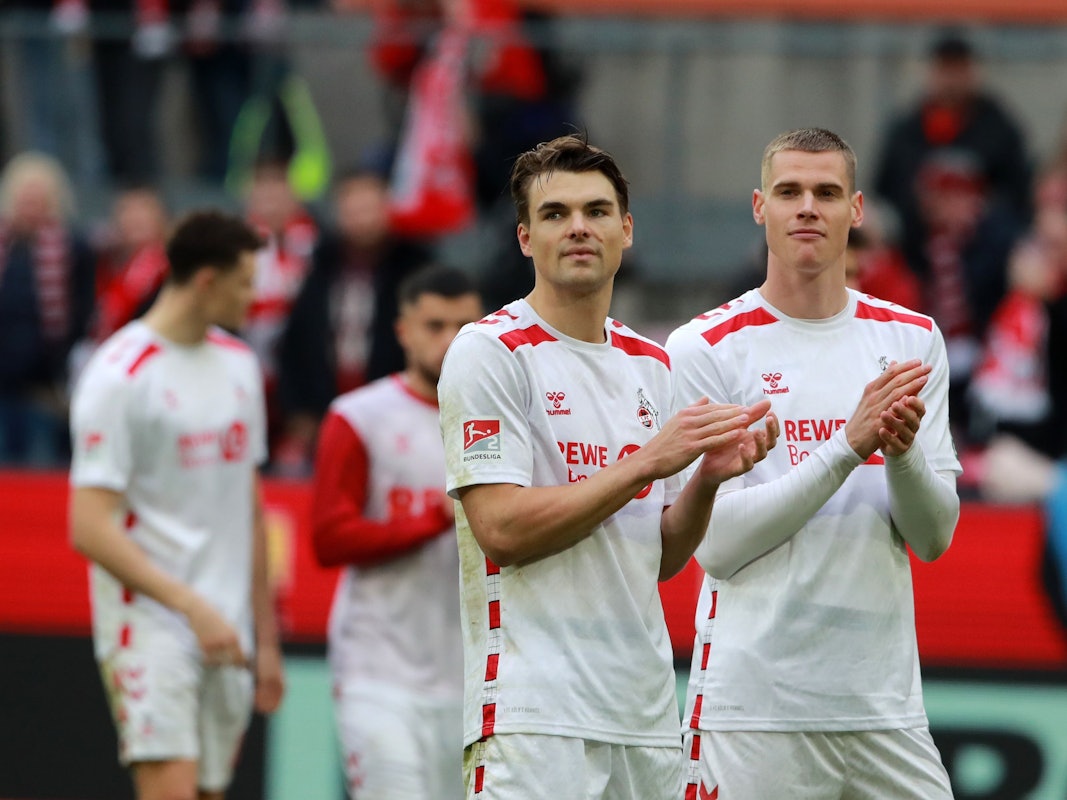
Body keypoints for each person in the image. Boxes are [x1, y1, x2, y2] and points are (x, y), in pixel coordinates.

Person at [438, 133, 777, 798]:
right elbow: (500, 529)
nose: (577, 228)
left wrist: (705, 479)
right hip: (533, 716)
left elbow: (660, 555)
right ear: (524, 239)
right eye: (554, 214)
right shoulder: (489, 352)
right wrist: (643, 465)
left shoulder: (651, 364)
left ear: (625, 231)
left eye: (595, 211)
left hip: (643, 715)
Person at [666, 128, 961, 799]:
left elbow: (933, 537)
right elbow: (713, 547)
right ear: (757, 206)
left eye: (826, 192)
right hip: (753, 712)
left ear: (854, 211)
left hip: (883, 708)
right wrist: (844, 448)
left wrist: (903, 454)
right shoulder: (704, 347)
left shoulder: (911, 340)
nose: (807, 207)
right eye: (788, 191)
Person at [68, 209, 285, 800]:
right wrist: (190, 606)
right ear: (207, 282)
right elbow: (87, 526)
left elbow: (248, 503)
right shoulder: (118, 376)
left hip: (227, 622)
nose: (256, 297)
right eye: (245, 283)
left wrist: (266, 640)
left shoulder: (240, 366)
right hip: (152, 620)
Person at [310, 264, 483, 799]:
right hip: (378, 666)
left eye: (464, 325)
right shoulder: (360, 416)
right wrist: (431, 519)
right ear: (403, 331)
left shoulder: (502, 420)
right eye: (435, 325)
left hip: (473, 674)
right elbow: (329, 537)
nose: (450, 340)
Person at [275, 168, 435, 473]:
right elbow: (296, 343)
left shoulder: (416, 267)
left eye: (369, 207)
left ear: (387, 207)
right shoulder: (320, 267)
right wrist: (299, 411)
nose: (361, 219)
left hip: (398, 413)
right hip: (325, 413)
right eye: (352, 209)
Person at [0, 150, 95, 465]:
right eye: (24, 197)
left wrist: (59, 358)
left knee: (48, 463)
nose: (30, 206)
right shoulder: (7, 247)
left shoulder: (72, 247)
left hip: (48, 379)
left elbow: (82, 309)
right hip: (4, 377)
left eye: (38, 198)